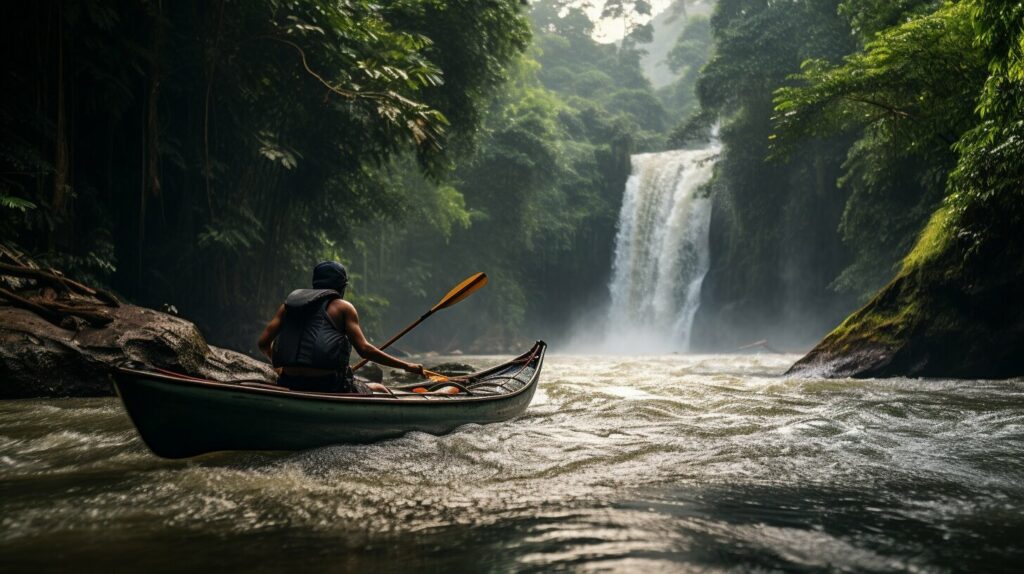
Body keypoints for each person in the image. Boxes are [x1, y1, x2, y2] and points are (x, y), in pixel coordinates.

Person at [258, 261, 425, 394]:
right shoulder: (343, 308)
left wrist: (280, 369)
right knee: (380, 388)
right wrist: (406, 366)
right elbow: (364, 350)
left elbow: (263, 343)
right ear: (341, 287)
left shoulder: (288, 306)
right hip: (328, 385)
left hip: (289, 381)